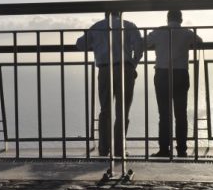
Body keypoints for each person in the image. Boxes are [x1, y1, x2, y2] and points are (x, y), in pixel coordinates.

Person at [76, 11, 143, 157]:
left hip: (105, 69)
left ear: (106, 14)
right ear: (120, 13)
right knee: (123, 110)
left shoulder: (97, 26)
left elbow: (80, 44)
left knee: (105, 110)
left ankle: (103, 148)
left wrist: (96, 46)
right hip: (125, 68)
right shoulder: (128, 25)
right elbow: (139, 47)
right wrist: (133, 64)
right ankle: (119, 149)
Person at [147, 10, 202, 158]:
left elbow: (144, 42)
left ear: (167, 19)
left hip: (162, 74)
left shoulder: (158, 32)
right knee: (181, 113)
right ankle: (182, 149)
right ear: (181, 20)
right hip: (181, 74)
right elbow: (200, 41)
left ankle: (164, 149)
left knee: (164, 114)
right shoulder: (187, 33)